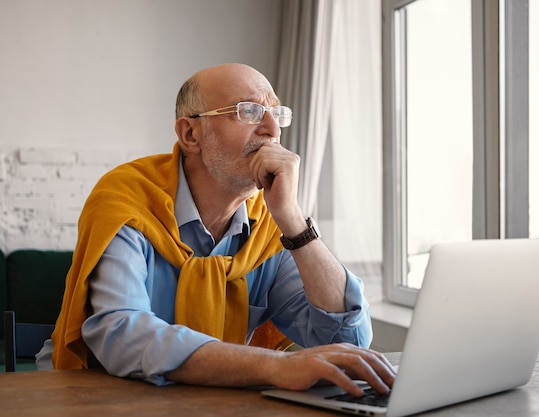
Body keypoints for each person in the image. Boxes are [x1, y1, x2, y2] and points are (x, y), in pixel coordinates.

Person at [36, 63, 395, 397]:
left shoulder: (271, 224)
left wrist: (295, 220)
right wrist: (276, 366)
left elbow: (347, 338)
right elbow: (122, 334)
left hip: (214, 399)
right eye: (249, 111)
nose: (273, 130)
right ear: (191, 133)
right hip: (103, 397)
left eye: (277, 114)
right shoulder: (127, 199)